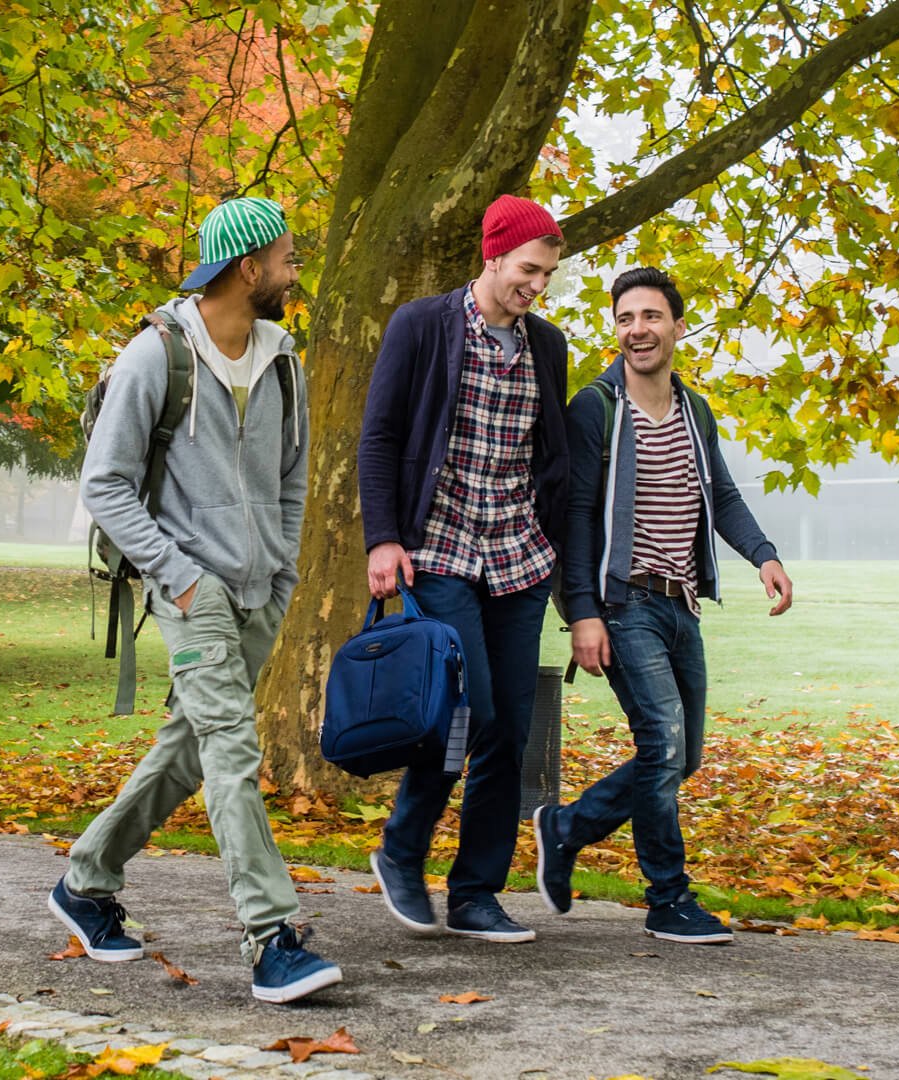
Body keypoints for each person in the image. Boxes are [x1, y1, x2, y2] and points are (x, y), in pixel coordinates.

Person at [52, 197, 336, 1005]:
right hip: (190, 591)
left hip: (259, 590)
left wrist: (280, 574)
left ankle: (86, 880)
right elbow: (105, 485)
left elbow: (291, 481)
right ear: (249, 268)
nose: (292, 270)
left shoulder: (284, 361)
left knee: (189, 749)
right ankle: (270, 937)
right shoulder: (156, 356)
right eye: (285, 258)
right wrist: (176, 574)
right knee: (232, 753)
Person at [535, 267, 793, 944]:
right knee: (664, 742)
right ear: (615, 329)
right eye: (625, 318)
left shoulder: (693, 410)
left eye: (650, 316)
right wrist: (583, 612)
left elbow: (724, 498)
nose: (637, 329)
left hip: (682, 605)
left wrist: (763, 555)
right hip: (626, 604)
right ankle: (668, 897)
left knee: (685, 754)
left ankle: (566, 828)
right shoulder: (597, 408)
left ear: (677, 326)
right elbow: (577, 517)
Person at [357, 194, 571, 944]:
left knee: (510, 730)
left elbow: (553, 461)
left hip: (517, 557)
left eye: (546, 275)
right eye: (527, 270)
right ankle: (401, 849)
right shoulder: (423, 325)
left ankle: (477, 892)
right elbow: (380, 435)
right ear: (492, 255)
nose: (536, 286)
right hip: (440, 549)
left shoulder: (547, 345)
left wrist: (559, 561)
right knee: (464, 710)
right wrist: (383, 537)